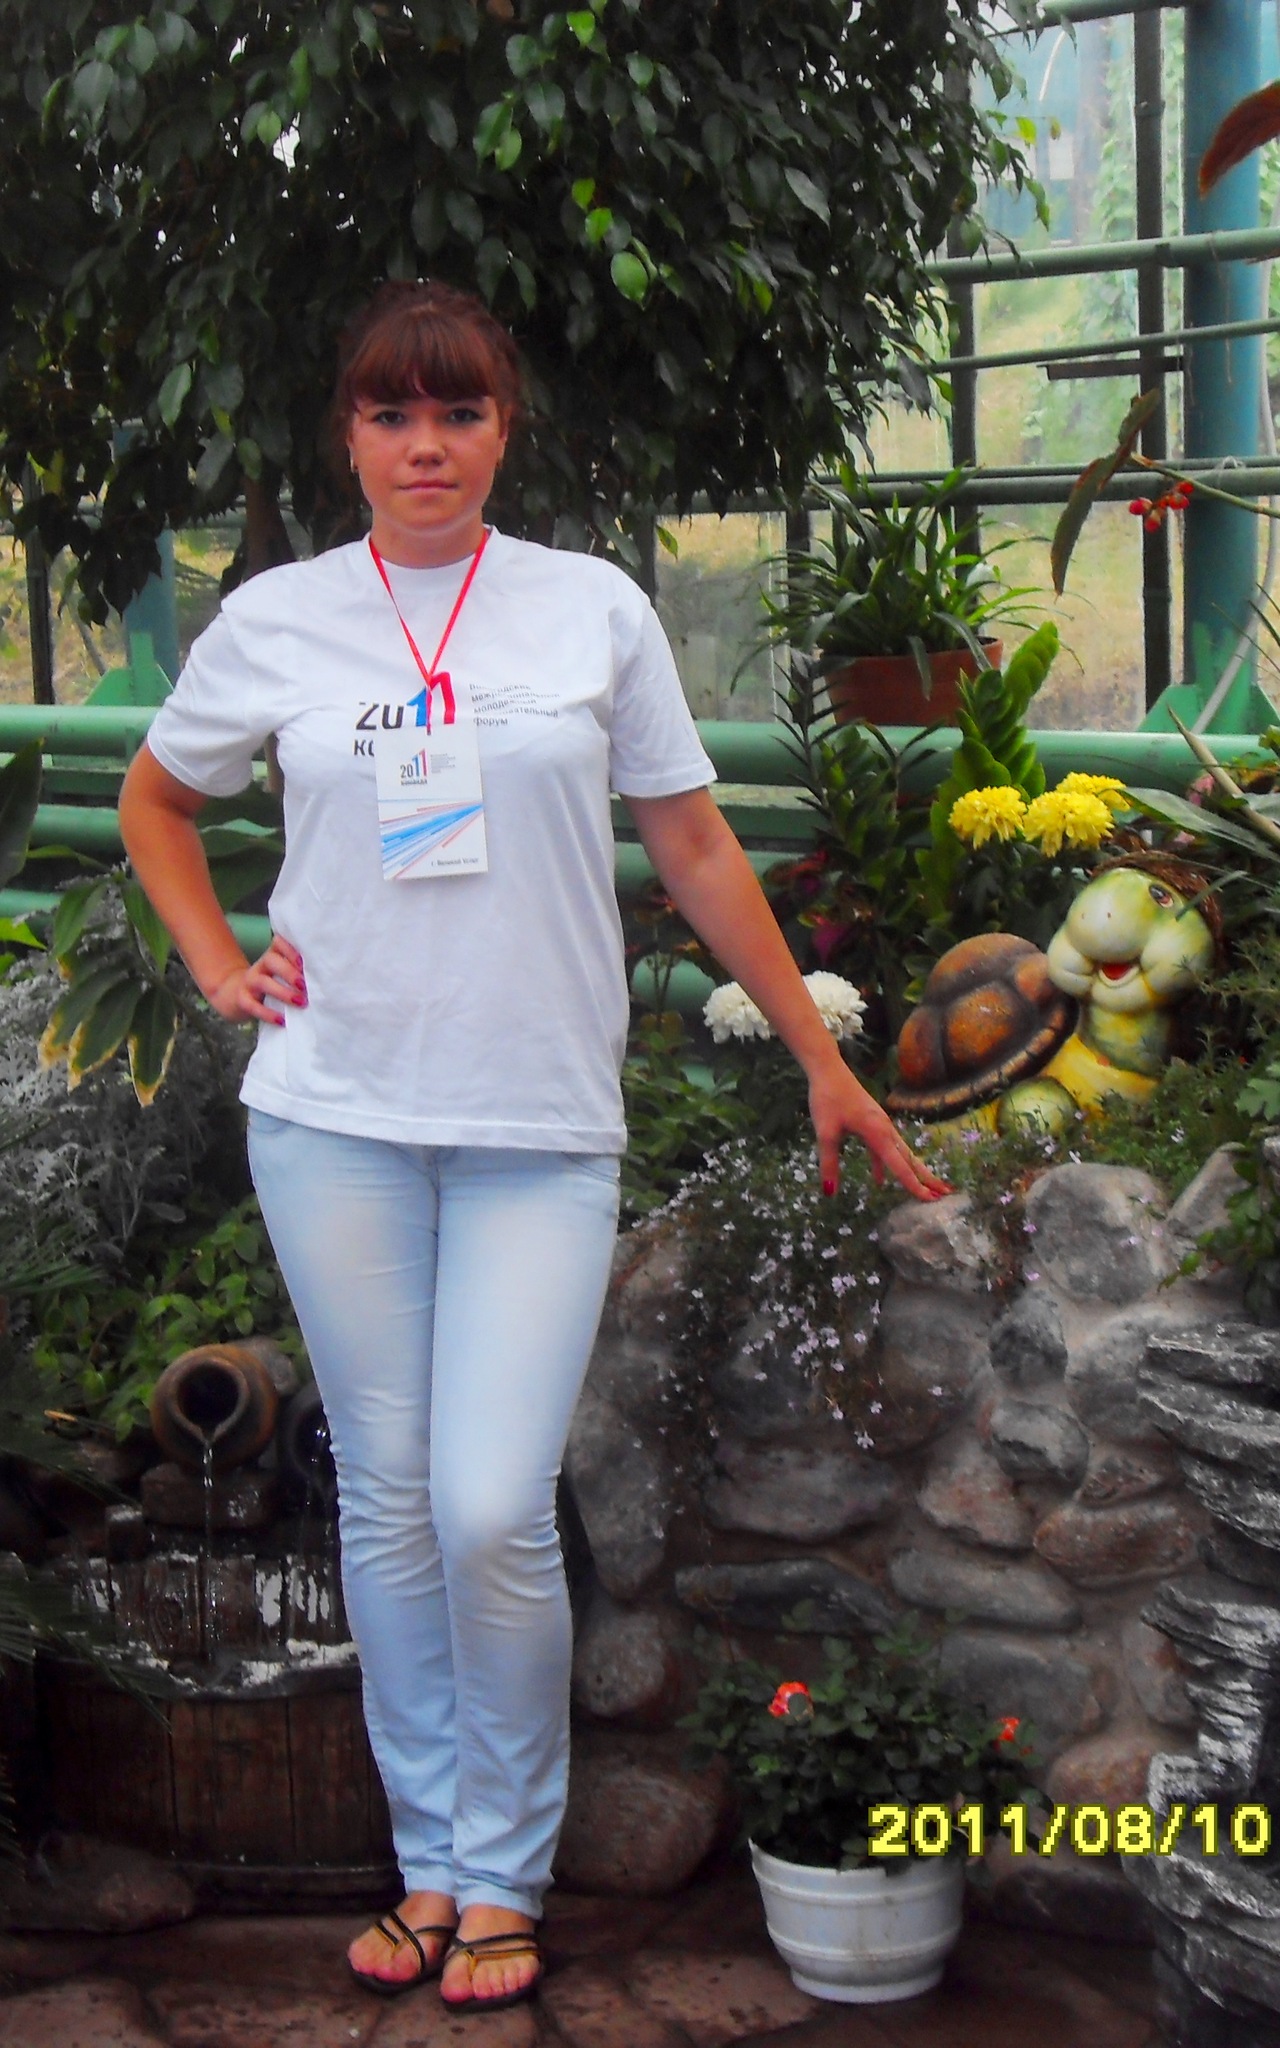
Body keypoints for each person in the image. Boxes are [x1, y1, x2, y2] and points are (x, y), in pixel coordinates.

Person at [118, 280, 948, 2013]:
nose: (425, 445)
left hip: (537, 1124)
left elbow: (696, 845)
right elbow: (158, 800)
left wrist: (821, 1058)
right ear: (348, 437)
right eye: (391, 414)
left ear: (504, 429)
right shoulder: (278, 619)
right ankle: (435, 1862)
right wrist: (217, 965)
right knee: (387, 1498)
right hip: (333, 1116)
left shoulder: (590, 611)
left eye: (460, 412)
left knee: (491, 1504)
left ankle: (506, 1864)